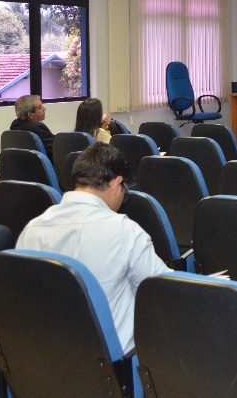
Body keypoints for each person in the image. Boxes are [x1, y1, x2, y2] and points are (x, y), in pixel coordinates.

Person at [17, 143, 171, 354]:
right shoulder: (125, 231)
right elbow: (163, 291)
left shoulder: (32, 228)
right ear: (117, 183)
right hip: (115, 362)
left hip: (48, 356)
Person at [10, 94, 54, 160]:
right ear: (30, 114)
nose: (44, 109)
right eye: (40, 108)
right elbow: (55, 149)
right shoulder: (38, 127)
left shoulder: (15, 125)